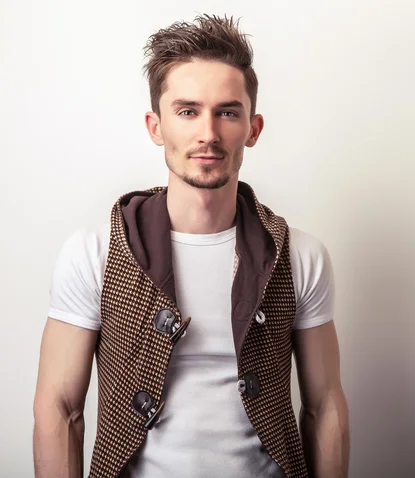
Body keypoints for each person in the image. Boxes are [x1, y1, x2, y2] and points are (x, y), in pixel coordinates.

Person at [32, 14, 350, 478]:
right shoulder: (94, 253)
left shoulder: (299, 256)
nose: (208, 133)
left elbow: (326, 408)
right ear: (156, 126)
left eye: (227, 111)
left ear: (253, 128)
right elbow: (58, 408)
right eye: (187, 111)